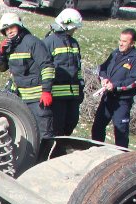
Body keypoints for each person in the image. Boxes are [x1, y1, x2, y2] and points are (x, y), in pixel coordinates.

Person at [0, 12, 55, 142]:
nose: (9, 32)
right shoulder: (9, 46)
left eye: (12, 27)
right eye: (6, 29)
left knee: (43, 135)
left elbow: (47, 66)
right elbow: (1, 68)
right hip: (18, 97)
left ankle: (46, 161)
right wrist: (1, 53)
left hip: (37, 99)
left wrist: (46, 91)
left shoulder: (32, 42)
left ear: (19, 26)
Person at [91, 28, 136, 149]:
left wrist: (115, 86)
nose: (121, 43)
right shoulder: (115, 53)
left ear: (132, 43)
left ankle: (121, 156)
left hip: (122, 101)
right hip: (107, 98)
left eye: (125, 41)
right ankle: (96, 151)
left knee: (120, 131)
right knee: (97, 127)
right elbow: (102, 68)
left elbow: (134, 81)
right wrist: (103, 78)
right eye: (120, 40)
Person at [42, 8, 84, 137]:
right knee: (57, 128)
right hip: (57, 95)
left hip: (72, 94)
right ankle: (55, 153)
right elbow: (44, 68)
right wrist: (46, 90)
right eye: (74, 28)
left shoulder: (74, 44)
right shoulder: (49, 42)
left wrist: (80, 88)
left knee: (71, 122)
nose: (74, 30)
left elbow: (77, 68)